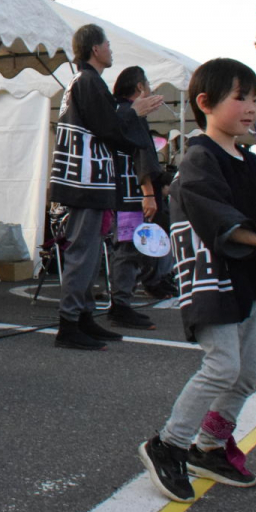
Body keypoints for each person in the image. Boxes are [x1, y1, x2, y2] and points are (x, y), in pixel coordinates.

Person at [137, 58, 256, 503]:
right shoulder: (199, 159)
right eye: (240, 97)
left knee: (248, 371)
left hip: (245, 275)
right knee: (222, 365)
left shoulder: (250, 162)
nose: (252, 107)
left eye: (255, 98)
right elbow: (222, 221)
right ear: (205, 103)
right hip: (212, 277)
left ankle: (210, 445)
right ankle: (168, 445)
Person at [48, 24, 163, 351]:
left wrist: (129, 114)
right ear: (95, 49)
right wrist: (133, 112)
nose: (111, 49)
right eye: (107, 44)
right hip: (83, 181)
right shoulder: (87, 82)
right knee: (83, 255)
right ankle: (68, 323)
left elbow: (106, 128)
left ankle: (83, 316)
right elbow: (108, 129)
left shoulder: (83, 83)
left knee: (89, 253)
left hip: (88, 180)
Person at [105, 66, 162, 330]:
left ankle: (121, 303)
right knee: (128, 249)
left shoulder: (113, 112)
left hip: (113, 188)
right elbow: (143, 153)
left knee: (123, 248)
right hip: (130, 191)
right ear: (140, 87)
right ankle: (121, 306)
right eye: (147, 84)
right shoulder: (132, 113)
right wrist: (149, 192)